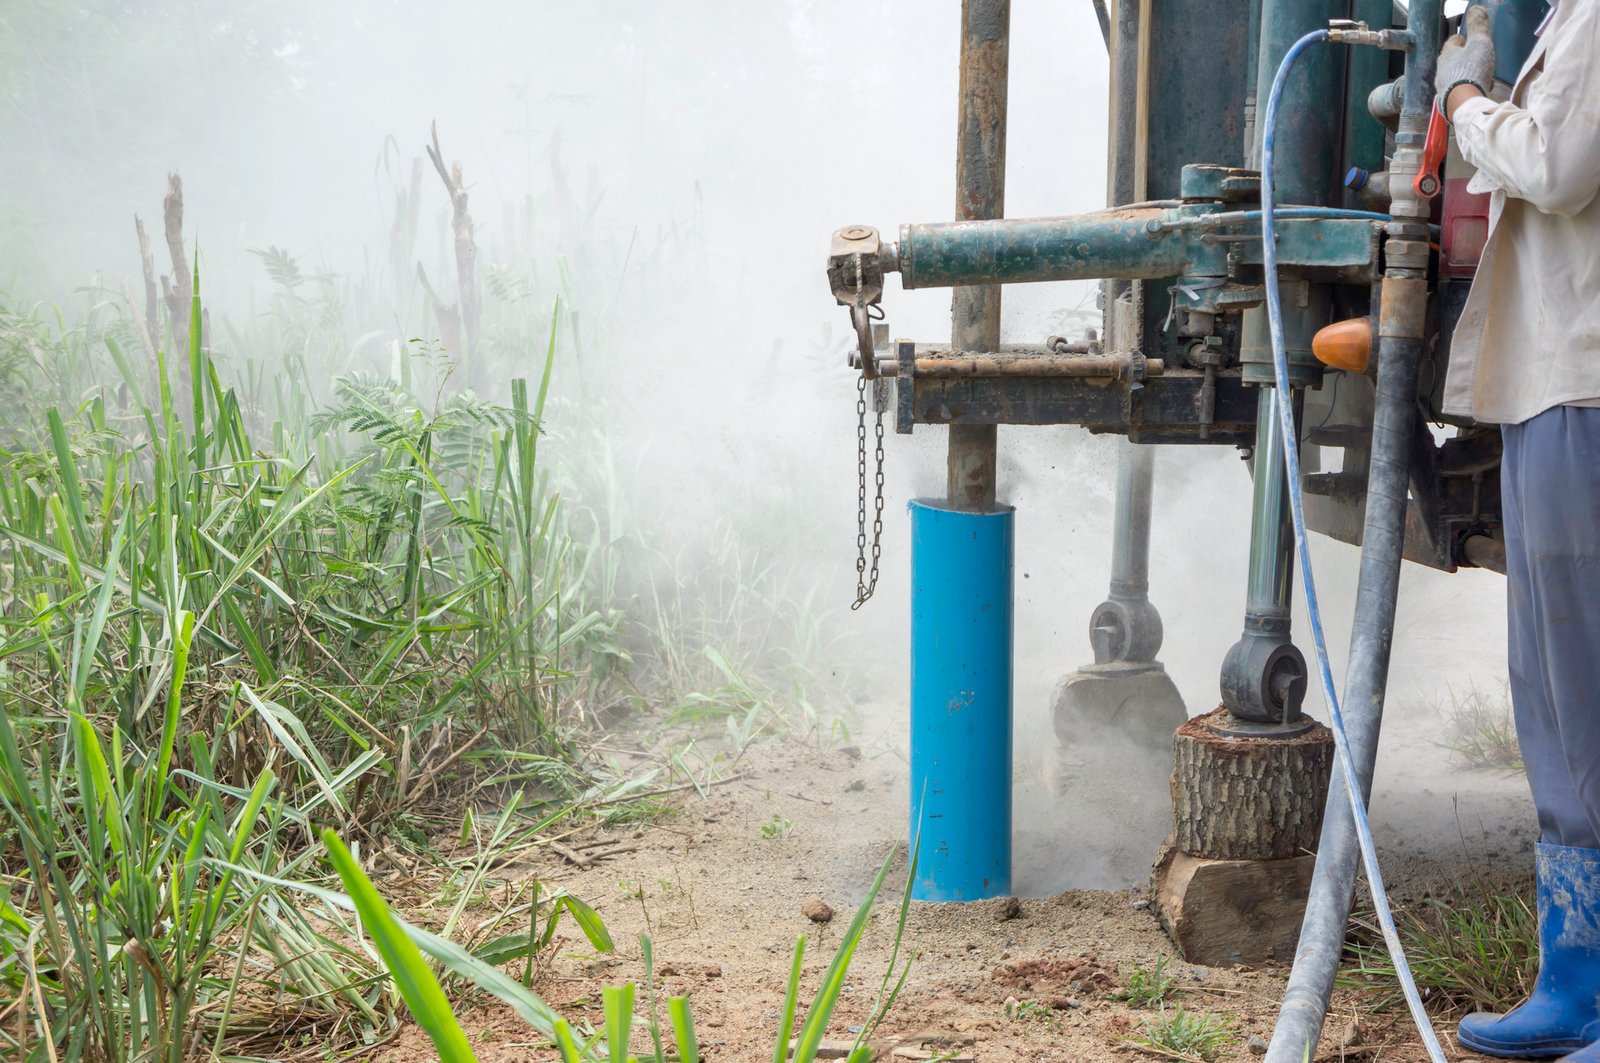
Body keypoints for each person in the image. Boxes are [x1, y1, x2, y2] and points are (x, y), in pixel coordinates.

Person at [1436, 3, 1600, 1060]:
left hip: (1585, 382)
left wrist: (1460, 101)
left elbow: (1559, 163)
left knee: (1579, 674)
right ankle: (1575, 980)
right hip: (1561, 379)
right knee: (1555, 684)